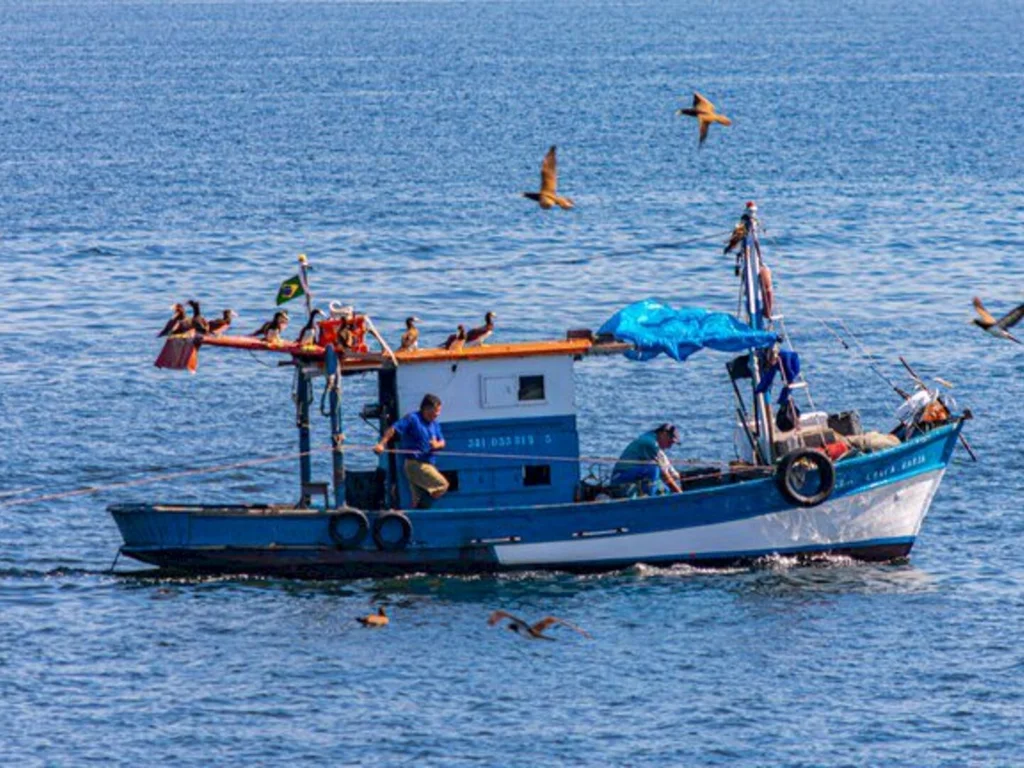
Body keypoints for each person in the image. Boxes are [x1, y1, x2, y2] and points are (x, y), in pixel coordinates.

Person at [374, 394, 448, 509]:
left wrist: (436, 445)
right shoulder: (413, 419)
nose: (437, 414)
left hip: (428, 464)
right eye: (435, 411)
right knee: (442, 485)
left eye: (439, 411)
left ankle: (417, 517)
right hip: (416, 464)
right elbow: (393, 429)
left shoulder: (435, 424)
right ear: (426, 409)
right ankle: (423, 506)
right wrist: (381, 444)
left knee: (415, 499)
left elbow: (442, 442)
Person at [608, 423, 682, 497]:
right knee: (654, 469)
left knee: (664, 489)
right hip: (620, 479)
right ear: (663, 434)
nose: (669, 446)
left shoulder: (652, 437)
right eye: (670, 442)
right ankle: (650, 499)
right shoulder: (651, 444)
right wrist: (680, 493)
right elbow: (665, 474)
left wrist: (675, 474)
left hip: (633, 474)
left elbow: (663, 460)